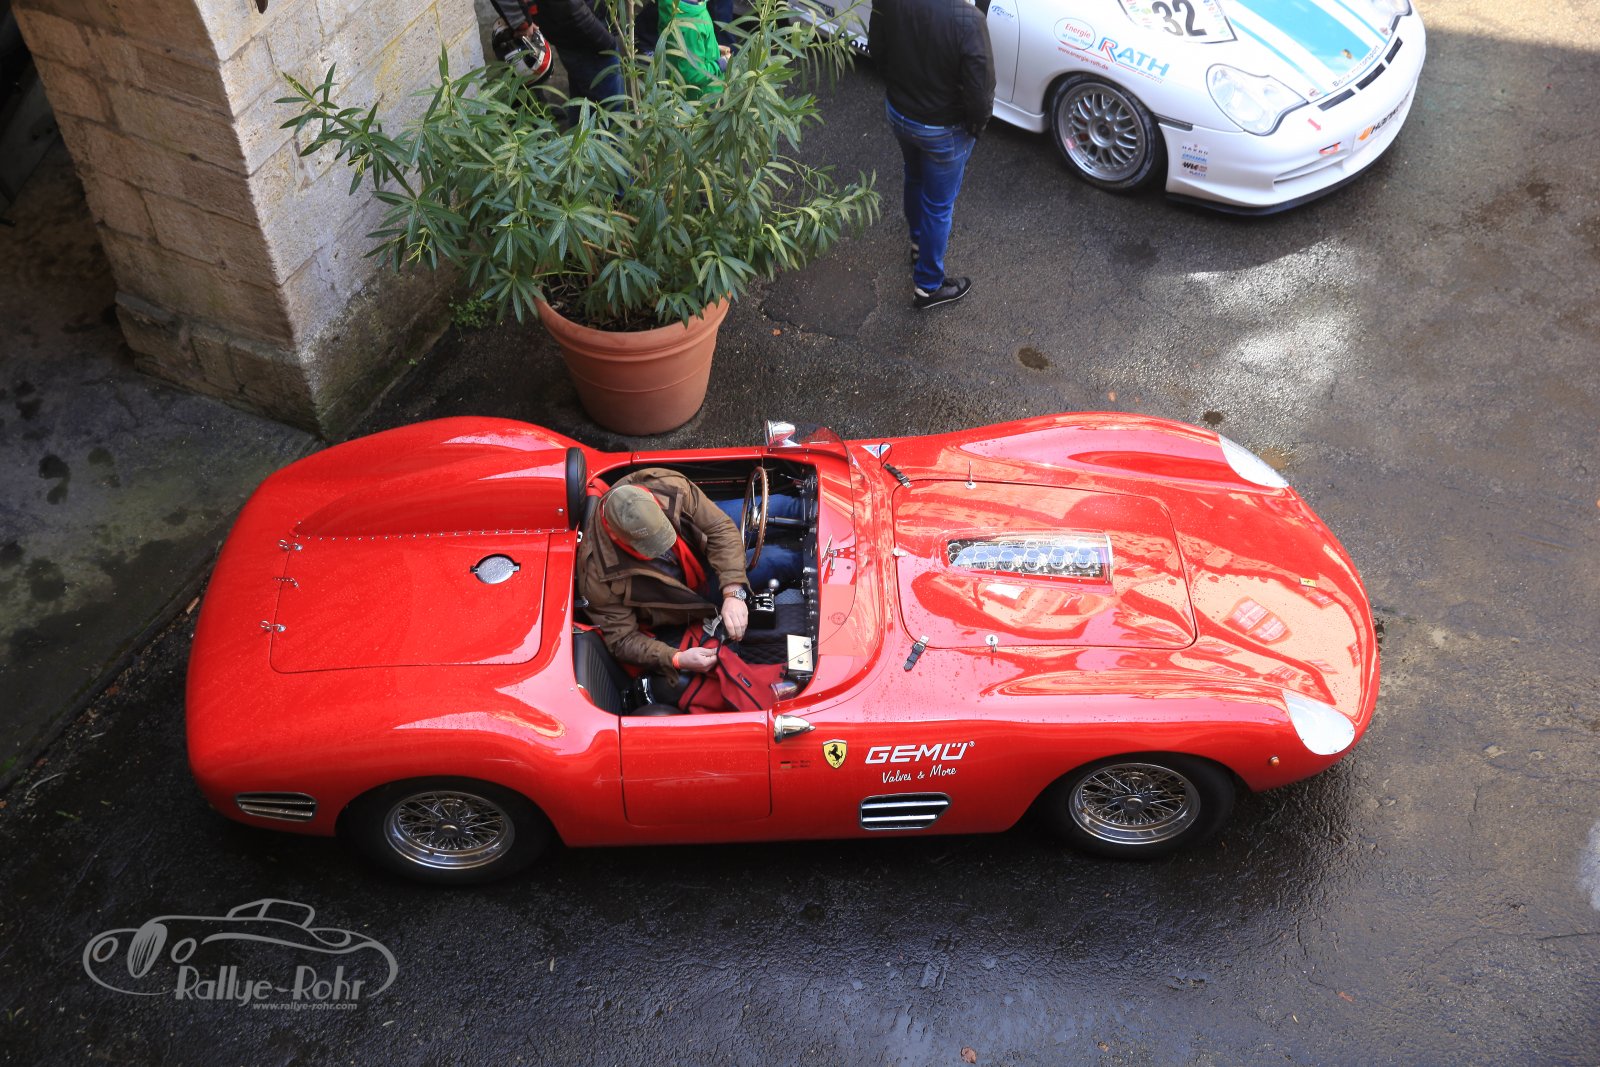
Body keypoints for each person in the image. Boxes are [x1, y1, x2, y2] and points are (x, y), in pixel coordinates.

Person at [577, 470, 801, 686]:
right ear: (615, 535)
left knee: (779, 506)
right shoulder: (597, 576)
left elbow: (719, 528)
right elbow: (623, 640)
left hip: (701, 540)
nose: (665, 549)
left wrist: (733, 592)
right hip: (688, 595)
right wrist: (677, 658)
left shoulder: (666, 484)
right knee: (779, 560)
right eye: (649, 546)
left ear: (653, 501)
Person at [868, 0, 995, 310]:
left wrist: (899, 93)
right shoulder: (968, 20)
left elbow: (878, 50)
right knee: (938, 206)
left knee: (914, 176)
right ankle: (928, 286)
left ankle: (917, 243)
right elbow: (980, 91)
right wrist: (975, 128)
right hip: (944, 129)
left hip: (900, 113)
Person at [536, 0, 625, 115]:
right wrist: (607, 42)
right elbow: (568, 6)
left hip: (572, 31)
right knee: (610, 109)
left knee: (583, 99)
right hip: (589, 38)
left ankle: (579, 124)